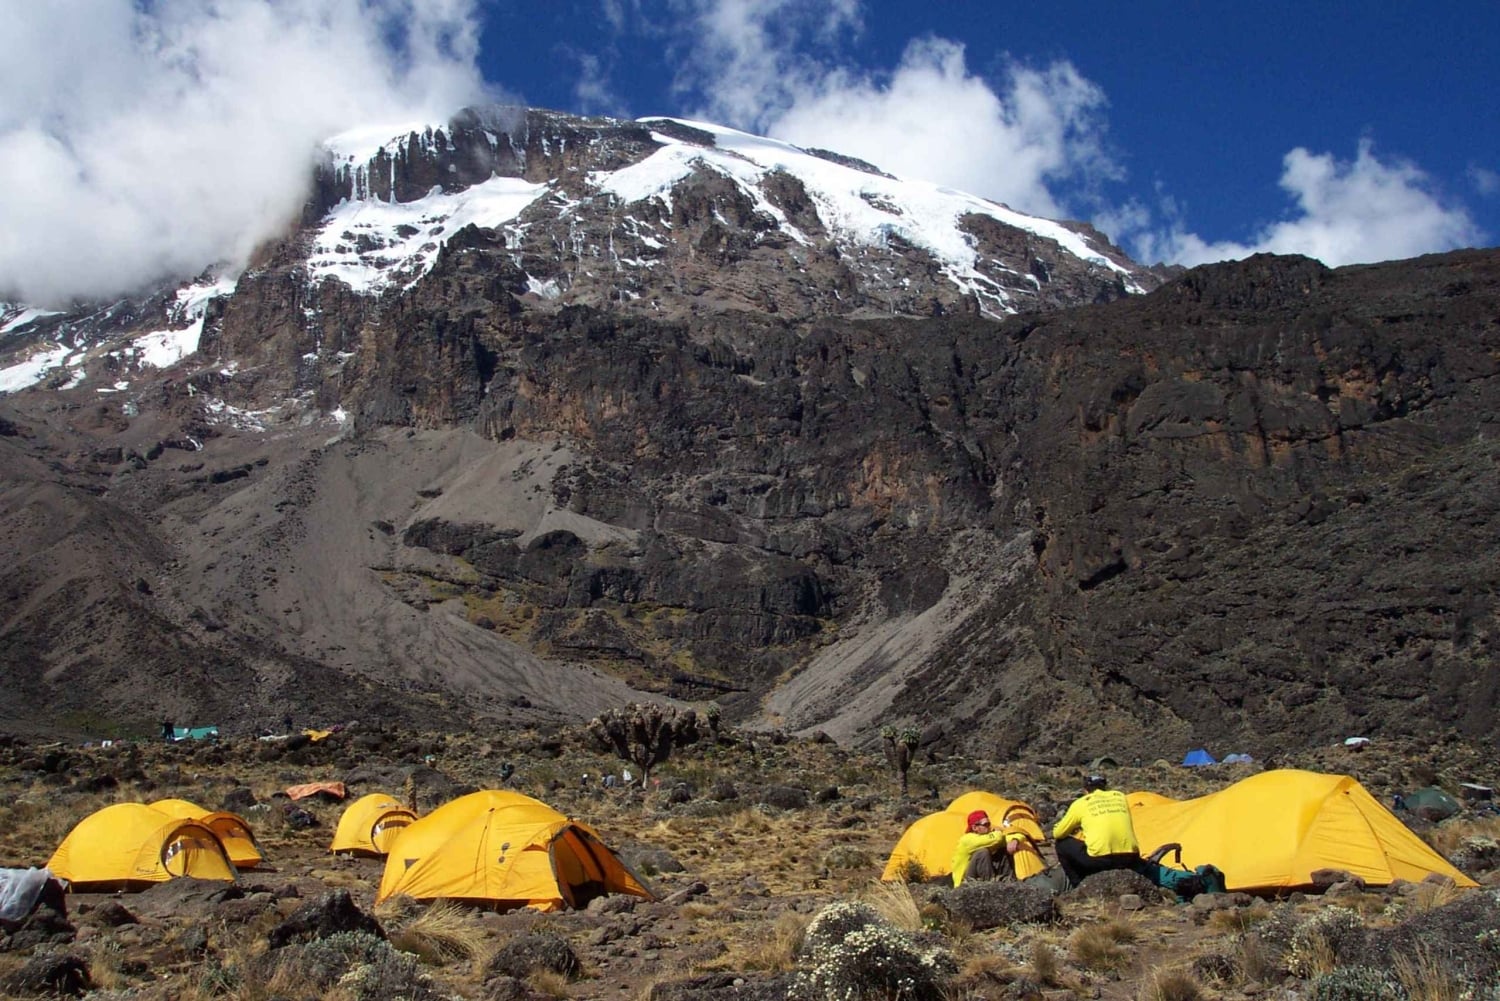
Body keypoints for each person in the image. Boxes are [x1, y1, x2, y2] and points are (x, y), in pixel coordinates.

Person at [1051, 775, 1143, 887]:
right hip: (1131, 857)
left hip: (1101, 860)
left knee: (1061, 844)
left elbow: (1058, 833)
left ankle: (1079, 885)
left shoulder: (1081, 803)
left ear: (1085, 790)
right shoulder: (1120, 797)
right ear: (1105, 787)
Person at [951, 810, 1027, 887]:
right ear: (974, 827)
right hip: (965, 883)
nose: (989, 827)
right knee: (982, 853)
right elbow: (998, 838)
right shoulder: (967, 839)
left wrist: (1015, 840)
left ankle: (1008, 883)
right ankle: (990, 886)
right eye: (985, 824)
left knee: (1003, 850)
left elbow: (1021, 835)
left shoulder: (988, 837)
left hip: (980, 875)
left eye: (989, 823)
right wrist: (998, 832)